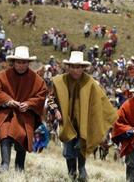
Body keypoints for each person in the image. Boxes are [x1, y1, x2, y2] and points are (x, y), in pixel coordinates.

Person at [48, 51, 117, 181]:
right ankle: (71, 173)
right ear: (68, 67)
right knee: (68, 150)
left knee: (82, 145)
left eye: (79, 67)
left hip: (84, 121)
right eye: (73, 66)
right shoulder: (60, 81)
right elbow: (51, 99)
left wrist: (107, 115)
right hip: (67, 120)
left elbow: (100, 100)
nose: (76, 70)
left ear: (83, 68)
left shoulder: (90, 82)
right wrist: (56, 110)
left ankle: (82, 169)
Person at [0, 46, 47, 173]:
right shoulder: (3, 75)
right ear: (13, 62)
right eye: (18, 62)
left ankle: (20, 166)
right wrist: (7, 101)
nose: (21, 65)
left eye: (24, 62)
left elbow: (41, 95)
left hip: (25, 114)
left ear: (28, 63)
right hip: (7, 112)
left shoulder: (36, 79)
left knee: (22, 135)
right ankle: (4, 164)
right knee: (4, 132)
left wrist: (29, 104)